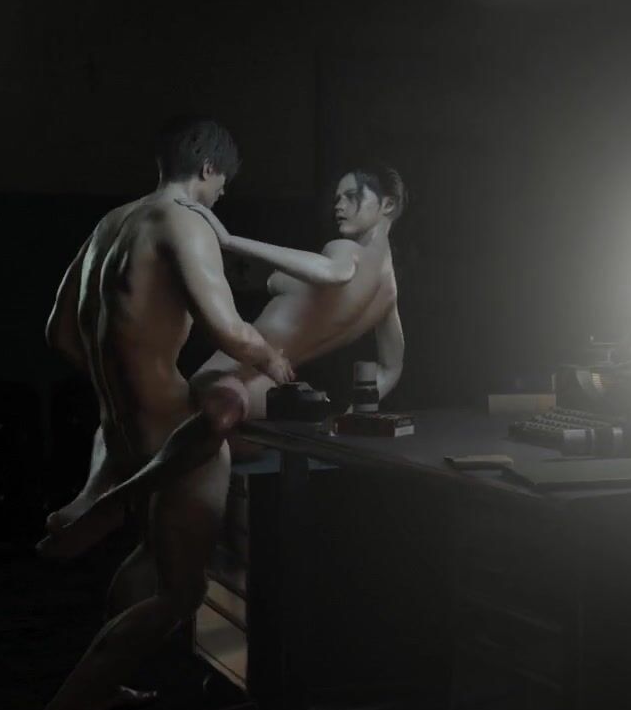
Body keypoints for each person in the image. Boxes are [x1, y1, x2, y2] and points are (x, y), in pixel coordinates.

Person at [18, 118, 293, 710]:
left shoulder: (111, 225)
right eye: (222, 185)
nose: (220, 197)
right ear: (208, 169)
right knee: (181, 590)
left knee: (150, 556)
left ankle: (104, 682)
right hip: (172, 430)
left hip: (117, 427)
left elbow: (59, 333)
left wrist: (125, 375)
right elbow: (230, 331)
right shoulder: (186, 221)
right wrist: (276, 363)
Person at [37, 165, 407, 561]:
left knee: (177, 451)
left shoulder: (346, 253)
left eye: (352, 196)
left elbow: (336, 274)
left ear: (387, 205)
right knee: (188, 439)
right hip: (251, 383)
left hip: (254, 386)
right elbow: (390, 367)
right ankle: (103, 501)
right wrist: (354, 414)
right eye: (337, 197)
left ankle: (110, 504)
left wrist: (229, 239)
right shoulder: (387, 292)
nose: (339, 205)